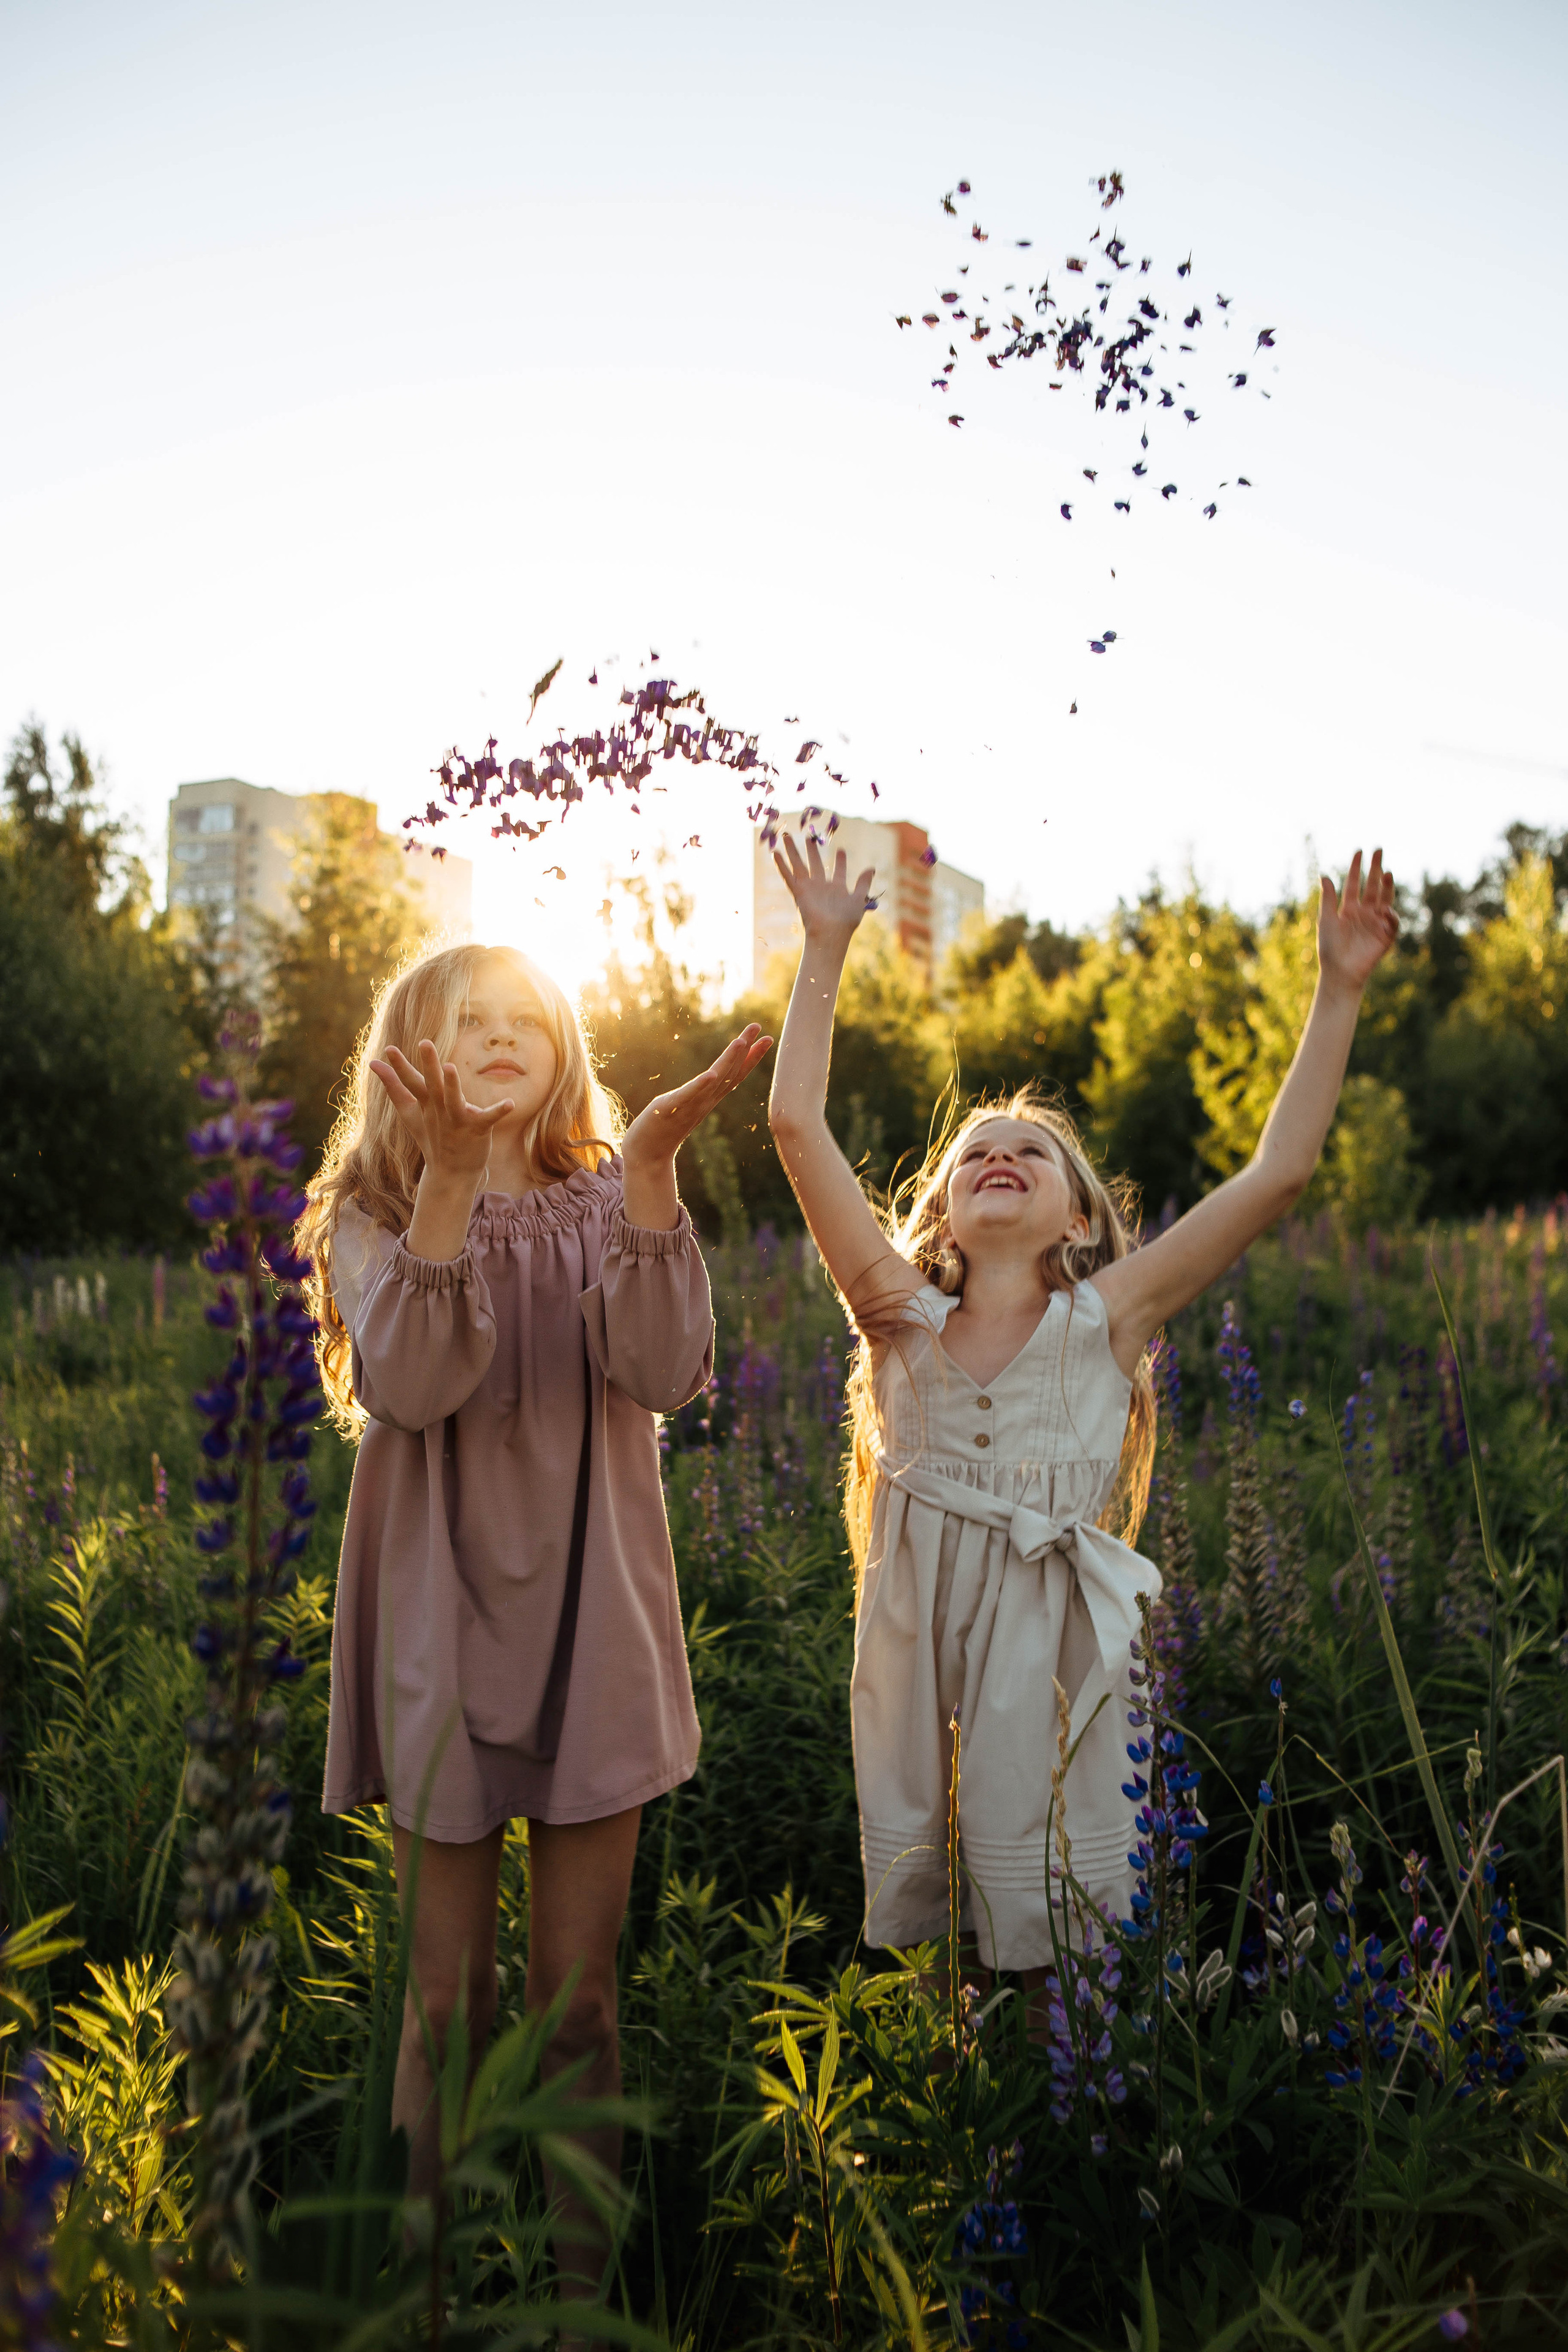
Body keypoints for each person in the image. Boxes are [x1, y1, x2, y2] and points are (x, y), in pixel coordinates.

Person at [766, 834, 1397, 1986]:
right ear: (941, 1215)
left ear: (1078, 1219)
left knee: (1053, 1933)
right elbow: (797, 1127)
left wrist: (1338, 989)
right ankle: (965, 2083)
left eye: (1032, 1153)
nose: (1000, 1157)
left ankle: (1061, 2085)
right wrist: (824, 948)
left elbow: (1279, 1175)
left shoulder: (1109, 1317)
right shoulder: (897, 1318)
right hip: (918, 1660)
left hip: (1050, 1659)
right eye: (976, 1154)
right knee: (948, 1946)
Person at [298, 937, 769, 2319]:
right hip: (436, 1623)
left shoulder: (606, 1196)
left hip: (590, 1619)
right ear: (410, 1057)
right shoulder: (373, 1213)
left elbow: (664, 1370)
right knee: (445, 2008)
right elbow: (409, 1384)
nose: (502, 1036)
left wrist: (654, 1174)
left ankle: (581, 2316)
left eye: (527, 1018)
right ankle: (424, 2305)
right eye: (470, 1020)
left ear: (565, 1050)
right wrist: (450, 1183)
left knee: (581, 2004)